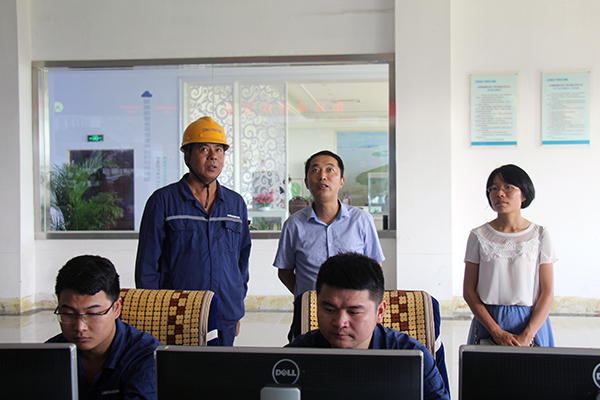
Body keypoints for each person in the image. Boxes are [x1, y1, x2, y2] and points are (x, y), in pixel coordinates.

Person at [135, 116, 251, 346]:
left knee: (221, 368)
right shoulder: (163, 201)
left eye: (219, 150)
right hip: (177, 314)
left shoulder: (235, 204)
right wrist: (153, 314)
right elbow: (147, 266)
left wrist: (236, 307)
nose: (213, 156)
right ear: (187, 155)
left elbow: (242, 261)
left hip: (224, 313)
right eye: (204, 149)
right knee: (180, 369)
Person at [286, 253, 449, 400]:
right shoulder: (295, 357)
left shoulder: (412, 359)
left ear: (380, 312)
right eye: (329, 310)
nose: (340, 322)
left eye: (354, 312)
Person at [274, 150, 384, 338]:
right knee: (304, 353)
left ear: (341, 181)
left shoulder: (361, 220)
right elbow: (285, 271)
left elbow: (375, 268)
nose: (322, 176)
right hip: (310, 310)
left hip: (353, 313)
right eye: (315, 170)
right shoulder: (293, 224)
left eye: (330, 170)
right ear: (307, 182)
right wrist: (309, 298)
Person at [463, 164, 556, 346]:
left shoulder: (540, 235)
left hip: (531, 322)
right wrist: (496, 332)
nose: (500, 193)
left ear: (524, 194)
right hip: (489, 321)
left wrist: (528, 335)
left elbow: (547, 292)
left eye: (508, 187)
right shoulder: (478, 235)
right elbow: (468, 291)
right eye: (494, 188)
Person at [47, 255, 161, 400]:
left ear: (117, 308)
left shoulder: (146, 357)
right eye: (68, 314)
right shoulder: (49, 355)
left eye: (93, 314)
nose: (80, 327)